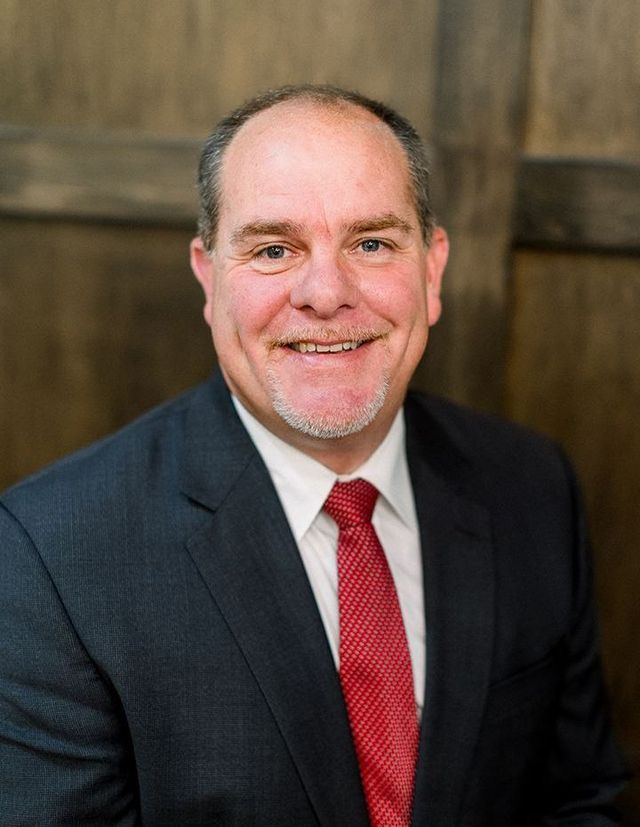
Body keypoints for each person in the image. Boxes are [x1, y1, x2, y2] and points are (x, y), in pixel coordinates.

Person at [0, 85, 627, 826]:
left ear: (431, 272)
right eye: (273, 249)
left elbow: (579, 802)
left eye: (372, 243)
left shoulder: (532, 486)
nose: (326, 294)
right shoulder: (51, 556)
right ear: (208, 278)